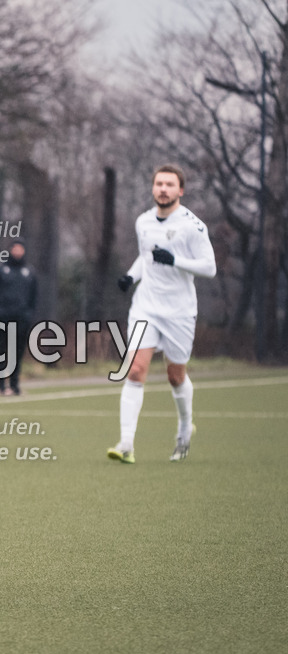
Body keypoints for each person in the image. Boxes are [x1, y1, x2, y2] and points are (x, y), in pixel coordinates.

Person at [108, 163, 216, 464]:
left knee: (175, 375)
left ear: (180, 190)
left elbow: (209, 267)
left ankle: (184, 427)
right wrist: (131, 277)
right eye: (159, 184)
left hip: (180, 311)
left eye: (169, 184)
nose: (163, 189)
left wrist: (176, 260)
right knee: (135, 370)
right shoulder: (143, 222)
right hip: (146, 306)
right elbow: (146, 258)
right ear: (153, 188)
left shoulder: (192, 226)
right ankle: (126, 444)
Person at [0, 238, 37, 395]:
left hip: (21, 321)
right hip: (1, 319)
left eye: (20, 249)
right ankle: (1, 386)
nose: (17, 252)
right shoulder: (0, 271)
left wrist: (29, 315)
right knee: (0, 352)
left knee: (16, 354)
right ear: (10, 250)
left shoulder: (29, 272)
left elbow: (34, 297)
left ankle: (14, 385)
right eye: (15, 249)